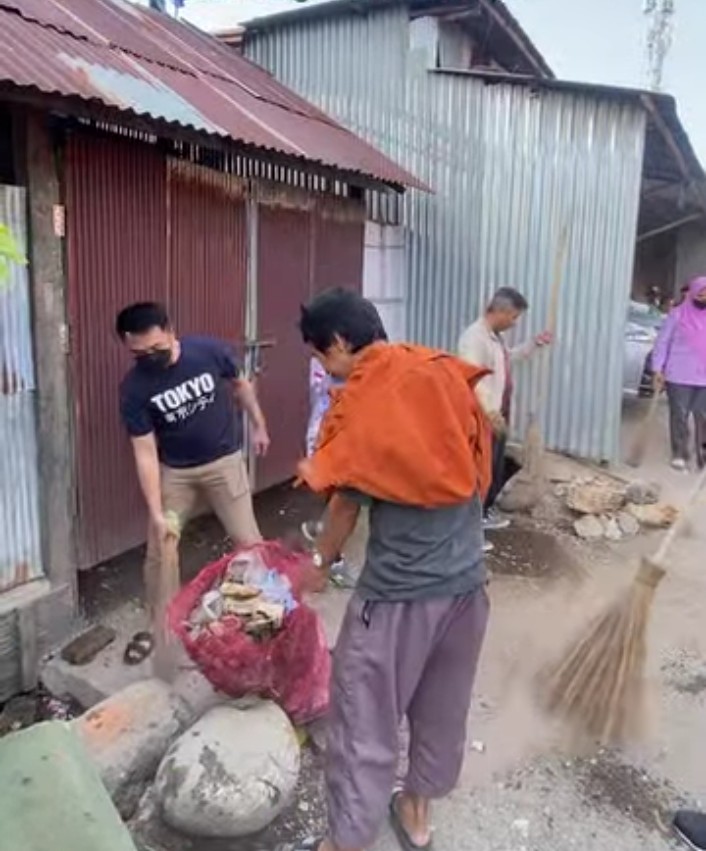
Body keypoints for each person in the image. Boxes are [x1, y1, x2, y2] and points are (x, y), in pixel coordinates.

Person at [294, 288, 491, 851]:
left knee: (363, 715)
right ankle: (416, 813)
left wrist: (317, 563)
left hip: (399, 596)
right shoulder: (440, 371)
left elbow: (345, 505)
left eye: (319, 355)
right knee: (441, 705)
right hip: (467, 587)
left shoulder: (370, 396)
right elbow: (480, 458)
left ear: (338, 343)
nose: (323, 368)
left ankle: (347, 841)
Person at [116, 302, 270, 648]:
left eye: (156, 347)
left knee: (249, 541)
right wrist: (156, 512)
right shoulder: (134, 388)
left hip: (224, 464)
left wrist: (259, 425)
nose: (150, 357)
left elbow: (241, 385)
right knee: (162, 548)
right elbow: (145, 453)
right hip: (177, 474)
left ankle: (265, 613)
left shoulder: (208, 351)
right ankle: (163, 628)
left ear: (171, 331)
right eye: (140, 354)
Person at [458, 287, 551, 539]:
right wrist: (490, 412)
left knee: (495, 468)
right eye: (513, 317)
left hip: (497, 416)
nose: (514, 323)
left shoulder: (494, 338)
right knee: (480, 471)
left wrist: (533, 344)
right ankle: (469, 530)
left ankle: (483, 513)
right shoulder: (474, 339)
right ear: (501, 311)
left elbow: (507, 358)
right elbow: (473, 378)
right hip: (484, 417)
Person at [301, 356, 355, 588]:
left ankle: (322, 534)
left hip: (342, 438)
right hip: (327, 438)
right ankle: (329, 562)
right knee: (342, 500)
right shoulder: (326, 362)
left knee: (344, 501)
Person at [652, 277, 706, 472]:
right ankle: (680, 453)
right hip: (678, 375)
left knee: (702, 416)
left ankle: (701, 454)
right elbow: (662, 342)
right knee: (679, 416)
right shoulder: (676, 315)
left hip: (703, 377)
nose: (704, 297)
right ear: (692, 294)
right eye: (700, 293)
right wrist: (658, 368)